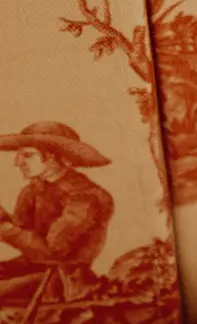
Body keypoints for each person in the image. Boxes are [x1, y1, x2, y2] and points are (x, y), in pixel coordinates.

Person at [0, 120, 115, 301]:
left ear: (52, 156)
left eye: (27, 155)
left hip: (65, 282)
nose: (17, 162)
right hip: (35, 271)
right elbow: (23, 234)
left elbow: (51, 252)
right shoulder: (32, 191)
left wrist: (3, 228)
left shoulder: (86, 197)